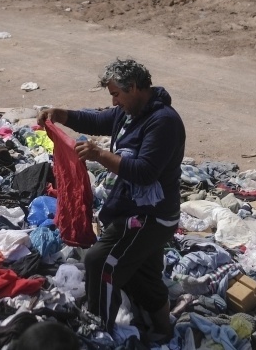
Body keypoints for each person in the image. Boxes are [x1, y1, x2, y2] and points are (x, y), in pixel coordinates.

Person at [37, 59, 186, 341]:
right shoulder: (128, 113)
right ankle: (164, 330)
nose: (114, 102)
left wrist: (99, 155)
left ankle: (99, 330)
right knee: (144, 274)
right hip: (131, 207)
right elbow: (96, 120)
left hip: (150, 216)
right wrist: (60, 114)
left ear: (134, 88)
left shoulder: (163, 122)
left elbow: (144, 172)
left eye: (117, 94)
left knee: (100, 261)